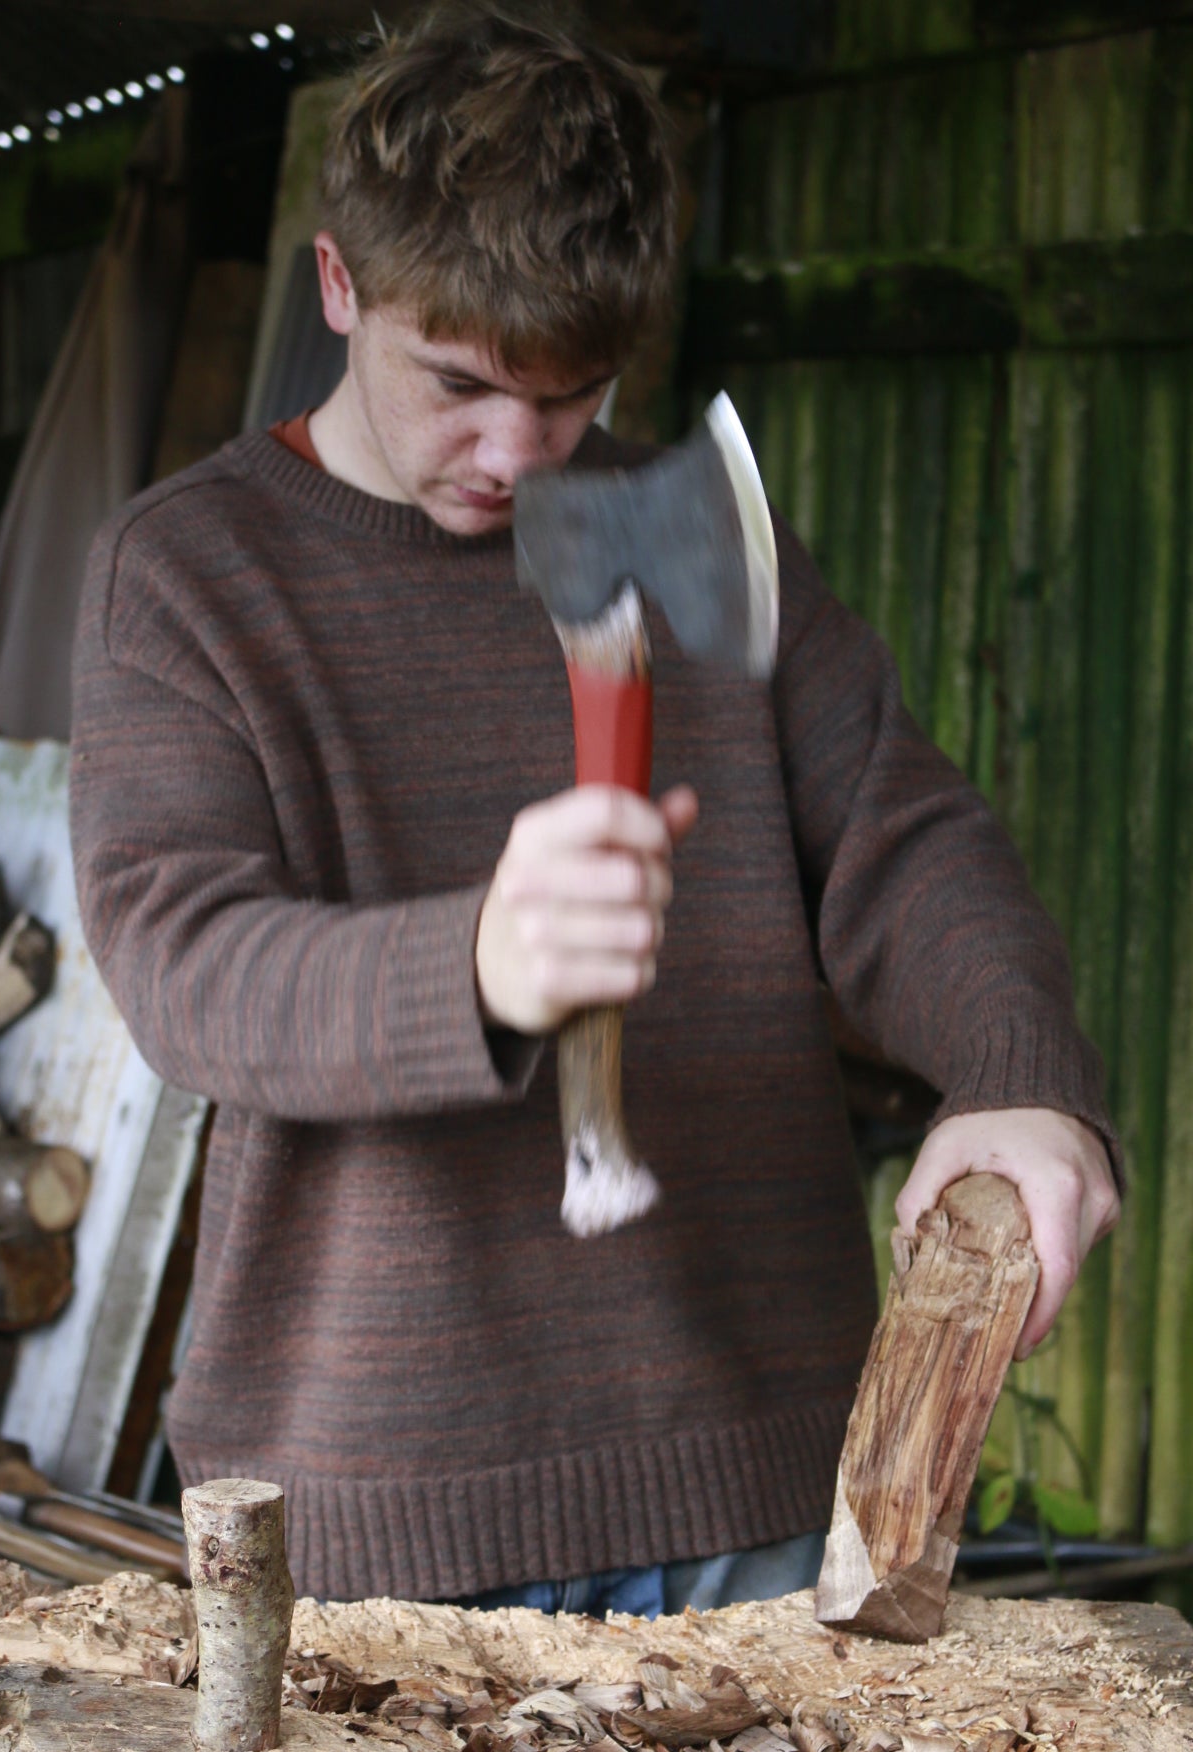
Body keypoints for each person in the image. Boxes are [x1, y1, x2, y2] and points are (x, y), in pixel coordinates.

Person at [69, 2, 1120, 1619]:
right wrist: (472, 968)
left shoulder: (689, 535)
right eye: (463, 385)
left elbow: (913, 845)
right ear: (341, 281)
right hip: (383, 1527)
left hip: (766, 1499)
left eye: (569, 397)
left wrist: (1019, 1081)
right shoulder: (196, 574)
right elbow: (183, 970)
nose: (513, 456)